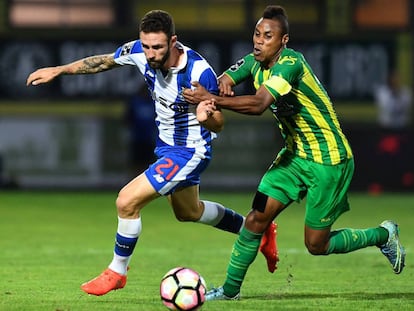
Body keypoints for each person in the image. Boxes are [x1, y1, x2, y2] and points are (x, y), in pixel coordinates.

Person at [26, 10, 278, 296]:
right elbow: (103, 62)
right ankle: (256, 230)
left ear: (173, 42)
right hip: (167, 149)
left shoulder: (198, 73)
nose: (150, 53)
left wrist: (206, 114)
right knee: (189, 212)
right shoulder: (139, 52)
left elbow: (219, 122)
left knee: (126, 201)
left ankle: (117, 272)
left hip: (190, 151)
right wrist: (58, 70)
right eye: (146, 46)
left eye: (157, 47)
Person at [183, 5, 406, 301]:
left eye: (268, 36)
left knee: (316, 245)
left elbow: (259, 104)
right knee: (255, 219)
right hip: (292, 159)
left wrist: (211, 99)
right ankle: (229, 291)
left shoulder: (290, 64)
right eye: (257, 34)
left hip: (329, 161)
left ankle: (382, 235)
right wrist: (220, 83)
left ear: (283, 40)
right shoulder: (254, 61)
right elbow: (228, 76)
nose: (259, 41)